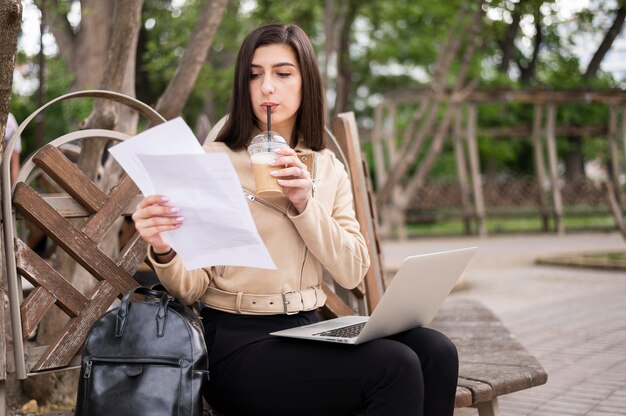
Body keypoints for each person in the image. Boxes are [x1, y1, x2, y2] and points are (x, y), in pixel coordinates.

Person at [132, 23, 458, 416]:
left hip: (310, 329)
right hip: (239, 343)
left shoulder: (326, 166)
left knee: (437, 351)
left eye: (283, 73)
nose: (267, 87)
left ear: (307, 83)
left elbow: (353, 271)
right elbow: (192, 287)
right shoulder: (212, 161)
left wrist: (305, 203)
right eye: (255, 75)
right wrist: (164, 248)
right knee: (394, 365)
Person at [3, 112, 21, 183]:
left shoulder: (9, 118)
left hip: (13, 137)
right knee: (14, 166)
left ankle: (14, 190)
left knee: (14, 166)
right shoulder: (9, 116)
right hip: (12, 136)